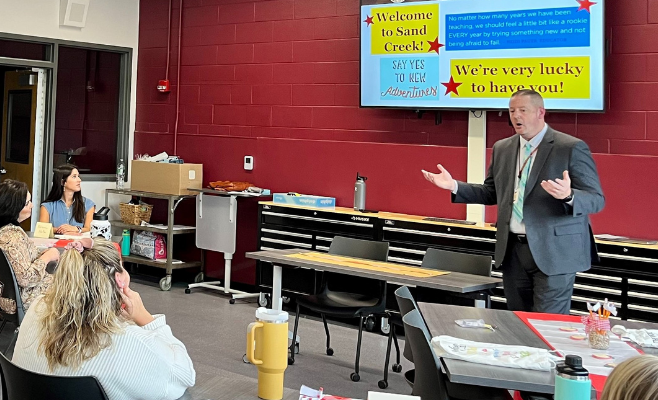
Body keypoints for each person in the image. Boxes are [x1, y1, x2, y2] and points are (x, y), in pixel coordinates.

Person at [422, 89, 604, 314]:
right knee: (518, 321)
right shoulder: (503, 148)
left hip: (555, 253)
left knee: (547, 325)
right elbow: (491, 193)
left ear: (540, 112)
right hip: (513, 252)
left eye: (523, 111)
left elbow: (596, 199)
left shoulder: (569, 147)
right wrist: (455, 186)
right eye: (512, 111)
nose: (516, 116)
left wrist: (569, 196)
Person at [12, 238, 196, 400]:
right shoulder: (129, 341)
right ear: (119, 279)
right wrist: (147, 320)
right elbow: (184, 375)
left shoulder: (37, 307)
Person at [0, 180, 60, 314]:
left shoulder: (6, 232)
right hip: (22, 298)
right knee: (74, 286)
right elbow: (25, 278)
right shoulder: (12, 237)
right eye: (28, 203)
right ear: (15, 207)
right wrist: (48, 256)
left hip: (9, 295)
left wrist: (44, 254)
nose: (32, 205)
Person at [39, 164, 95, 235]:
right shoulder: (46, 206)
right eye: (74, 177)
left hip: (79, 244)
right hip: (55, 244)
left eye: (78, 176)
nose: (79, 180)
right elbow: (42, 230)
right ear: (63, 182)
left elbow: (89, 229)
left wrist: (75, 229)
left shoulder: (88, 204)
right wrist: (60, 230)